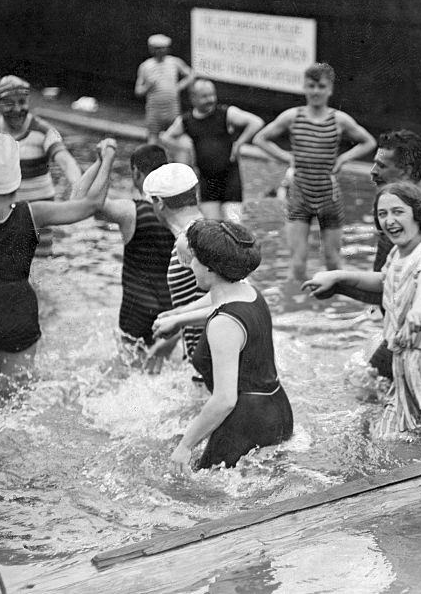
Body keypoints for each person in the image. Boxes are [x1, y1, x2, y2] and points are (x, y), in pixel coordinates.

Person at [302, 182, 421, 439]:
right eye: (382, 214)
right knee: (399, 432)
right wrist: (337, 277)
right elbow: (383, 281)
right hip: (405, 359)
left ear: (417, 215)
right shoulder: (397, 252)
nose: (389, 220)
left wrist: (420, 309)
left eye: (398, 212)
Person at [0, 135, 116, 377]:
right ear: (17, 175)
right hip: (17, 307)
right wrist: (107, 156)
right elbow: (92, 204)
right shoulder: (34, 212)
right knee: (18, 393)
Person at [312, 129, 421, 381]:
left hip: (420, 338)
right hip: (404, 332)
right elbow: (389, 280)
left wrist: (340, 285)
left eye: (381, 165)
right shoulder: (399, 213)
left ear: (406, 170)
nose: (373, 172)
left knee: (367, 387)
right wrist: (338, 282)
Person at [170, 220, 293, 472]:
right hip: (278, 409)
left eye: (194, 260)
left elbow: (225, 400)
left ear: (210, 269)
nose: (190, 265)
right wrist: (177, 318)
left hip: (246, 421)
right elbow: (216, 302)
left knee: (202, 495)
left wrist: (185, 445)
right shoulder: (248, 292)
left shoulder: (223, 324)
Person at [253, 62, 376, 280]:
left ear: (329, 89)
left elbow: (368, 142)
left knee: (333, 261)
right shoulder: (293, 117)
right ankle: (301, 307)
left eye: (321, 86)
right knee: (298, 263)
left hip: (329, 196)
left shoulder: (339, 120)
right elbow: (260, 138)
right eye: (311, 86)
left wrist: (344, 158)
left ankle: (332, 309)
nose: (316, 91)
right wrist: (286, 157)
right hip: (300, 195)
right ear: (305, 87)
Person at [0, 75, 84, 255]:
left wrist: (78, 191)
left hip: (38, 215)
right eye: (9, 103)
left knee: (40, 267)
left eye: (22, 102)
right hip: (1, 215)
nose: (17, 109)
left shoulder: (44, 130)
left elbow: (67, 162)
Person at [74, 144, 176, 365]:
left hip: (136, 310)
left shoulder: (130, 212)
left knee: (130, 373)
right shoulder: (183, 213)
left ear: (136, 173)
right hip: (173, 313)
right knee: (163, 370)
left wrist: (103, 162)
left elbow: (79, 199)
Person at [160, 79, 265, 220]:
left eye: (212, 95)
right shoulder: (186, 121)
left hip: (230, 179)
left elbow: (256, 122)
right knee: (212, 228)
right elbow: (166, 138)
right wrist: (184, 147)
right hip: (206, 180)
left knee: (234, 225)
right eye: (204, 96)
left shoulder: (226, 113)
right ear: (193, 98)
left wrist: (239, 143)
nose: (210, 100)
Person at [142, 163, 207, 362]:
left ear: (159, 202)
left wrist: (178, 318)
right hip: (207, 358)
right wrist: (175, 334)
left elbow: (230, 299)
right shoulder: (205, 231)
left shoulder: (188, 241)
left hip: (209, 363)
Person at [135, 34, 194, 144]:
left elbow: (191, 74)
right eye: (156, 49)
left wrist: (180, 86)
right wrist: (148, 86)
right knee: (152, 138)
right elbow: (138, 91)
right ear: (151, 49)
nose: (160, 51)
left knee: (174, 137)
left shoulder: (174, 62)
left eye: (162, 48)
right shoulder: (145, 66)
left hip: (172, 108)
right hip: (154, 110)